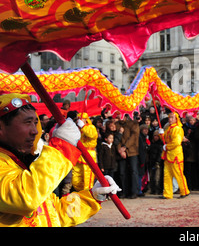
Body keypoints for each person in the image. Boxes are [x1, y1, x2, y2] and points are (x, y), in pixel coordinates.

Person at [0, 93, 120, 227]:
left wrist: (92, 197)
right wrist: (61, 148)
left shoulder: (22, 164)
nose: (35, 131)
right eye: (27, 123)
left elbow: (55, 212)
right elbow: (25, 197)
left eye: (35, 123)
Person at [161, 112, 190, 199]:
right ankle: (167, 193)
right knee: (167, 175)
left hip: (175, 155)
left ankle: (184, 191)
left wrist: (167, 146)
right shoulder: (168, 128)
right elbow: (165, 139)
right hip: (168, 154)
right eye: (169, 117)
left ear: (176, 119)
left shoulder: (178, 129)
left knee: (178, 174)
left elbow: (176, 142)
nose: (170, 119)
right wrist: (161, 134)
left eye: (172, 117)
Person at [71, 112, 98, 192]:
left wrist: (83, 126)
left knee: (87, 178)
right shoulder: (77, 128)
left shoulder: (91, 127)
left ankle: (88, 195)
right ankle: (81, 192)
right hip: (78, 155)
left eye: (81, 119)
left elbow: (92, 134)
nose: (79, 120)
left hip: (88, 154)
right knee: (75, 178)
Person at [117, 118, 140, 199]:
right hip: (121, 152)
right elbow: (117, 138)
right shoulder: (117, 124)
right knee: (122, 172)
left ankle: (134, 191)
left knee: (134, 171)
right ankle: (124, 191)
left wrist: (125, 147)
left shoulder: (133, 123)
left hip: (132, 151)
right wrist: (120, 150)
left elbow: (134, 137)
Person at [148, 130, 164, 195]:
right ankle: (152, 189)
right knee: (152, 177)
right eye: (155, 136)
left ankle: (157, 190)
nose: (156, 137)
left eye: (157, 136)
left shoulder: (160, 144)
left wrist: (158, 161)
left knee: (157, 178)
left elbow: (160, 153)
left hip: (158, 162)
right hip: (151, 161)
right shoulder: (152, 143)